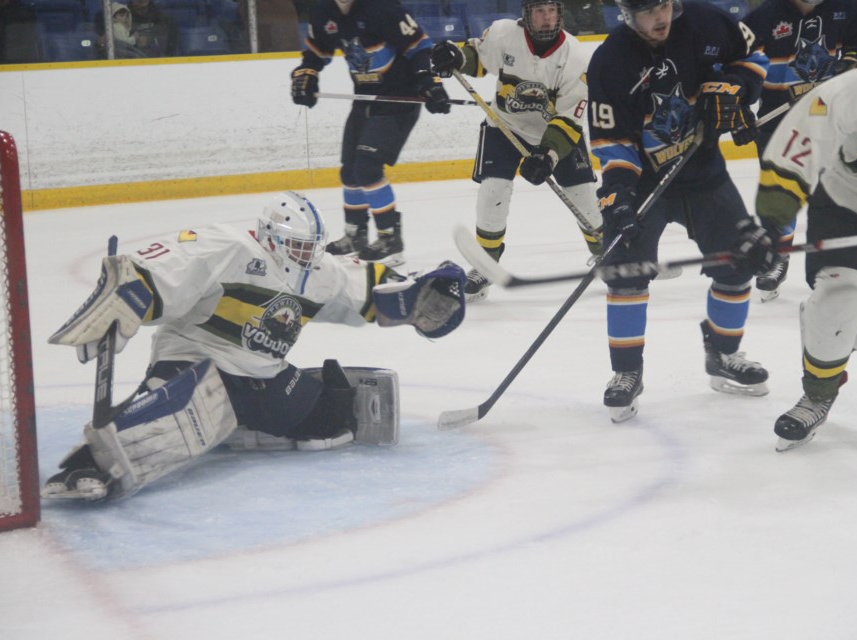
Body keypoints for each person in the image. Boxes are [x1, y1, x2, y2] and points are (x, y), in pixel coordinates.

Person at [42, 191, 466, 501]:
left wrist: (418, 298)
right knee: (161, 416)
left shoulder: (320, 270)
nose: (304, 256)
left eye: (310, 247)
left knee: (331, 419)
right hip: (197, 361)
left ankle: (241, 421)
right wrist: (132, 294)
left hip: (264, 374)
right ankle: (86, 463)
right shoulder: (227, 247)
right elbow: (165, 267)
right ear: (270, 236)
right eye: (296, 246)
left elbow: (372, 292)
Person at [586, 0, 773, 422]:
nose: (661, 17)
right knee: (626, 266)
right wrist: (619, 197)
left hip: (703, 171)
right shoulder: (609, 61)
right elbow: (613, 139)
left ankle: (723, 355)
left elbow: (755, 57)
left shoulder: (709, 23)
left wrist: (737, 87)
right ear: (626, 12)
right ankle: (626, 372)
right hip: (647, 182)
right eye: (649, 10)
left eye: (665, 5)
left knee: (739, 259)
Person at [751, 3, 857, 451]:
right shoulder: (846, 94)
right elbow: (792, 159)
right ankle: (817, 394)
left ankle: (827, 330)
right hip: (847, 206)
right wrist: (769, 226)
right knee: (840, 297)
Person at [429, 0, 604, 302]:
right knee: (492, 193)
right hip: (505, 126)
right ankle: (485, 265)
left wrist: (547, 155)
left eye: (552, 11)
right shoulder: (503, 34)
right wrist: (455, 56)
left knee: (585, 198)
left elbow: (568, 118)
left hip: (557, 132)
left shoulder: (576, 56)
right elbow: (477, 58)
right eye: (540, 11)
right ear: (526, 14)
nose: (547, 18)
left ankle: (609, 253)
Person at [291, 0, 453, 267]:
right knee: (350, 169)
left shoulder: (383, 8)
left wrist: (429, 83)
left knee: (367, 167)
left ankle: (390, 237)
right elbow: (316, 51)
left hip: (400, 100)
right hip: (365, 99)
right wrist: (307, 75)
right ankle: (355, 235)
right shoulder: (324, 11)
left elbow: (420, 46)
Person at [744, 0, 857, 302]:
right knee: (779, 191)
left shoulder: (845, 9)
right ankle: (778, 255)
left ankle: (845, 265)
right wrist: (739, 106)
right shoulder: (762, 18)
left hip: (832, 116)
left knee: (839, 193)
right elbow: (739, 66)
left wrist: (852, 62)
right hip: (778, 120)